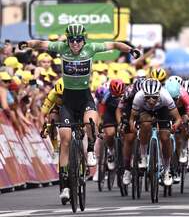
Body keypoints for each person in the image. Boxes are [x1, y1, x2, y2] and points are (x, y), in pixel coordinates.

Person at [18, 23, 141, 202]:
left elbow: (114, 45)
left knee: (90, 123)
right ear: (67, 41)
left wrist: (131, 50)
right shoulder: (61, 47)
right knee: (65, 140)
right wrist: (26, 44)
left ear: (84, 40)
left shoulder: (91, 48)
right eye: (72, 40)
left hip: (85, 98)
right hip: (67, 101)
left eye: (79, 40)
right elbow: (41, 44)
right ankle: (65, 184)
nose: (75, 43)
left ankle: (90, 149)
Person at [129, 78, 182, 186]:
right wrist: (132, 126)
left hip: (163, 110)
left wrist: (175, 125)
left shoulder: (165, 96)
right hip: (145, 111)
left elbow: (178, 118)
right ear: (144, 94)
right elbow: (132, 118)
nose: (151, 100)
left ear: (159, 94)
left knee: (165, 138)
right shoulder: (138, 96)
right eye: (148, 97)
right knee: (145, 124)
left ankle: (167, 170)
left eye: (154, 97)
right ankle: (143, 157)